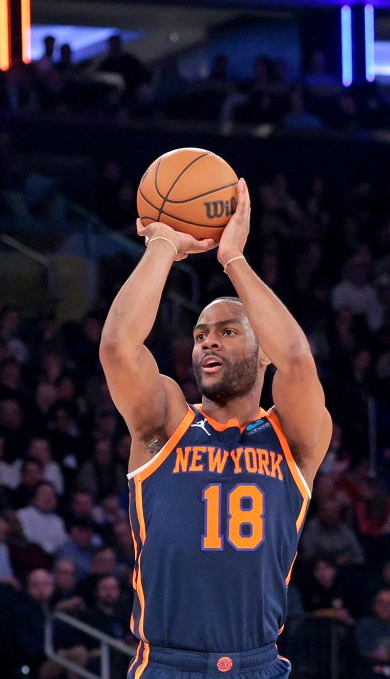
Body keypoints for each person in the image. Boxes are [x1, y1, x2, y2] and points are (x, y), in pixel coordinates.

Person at [100, 178, 331, 678]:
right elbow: (118, 346)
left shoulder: (292, 437)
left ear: (261, 349)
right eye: (201, 334)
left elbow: (295, 358)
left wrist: (235, 260)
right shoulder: (164, 423)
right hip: (166, 663)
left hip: (258, 664)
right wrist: (163, 243)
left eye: (228, 332)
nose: (209, 342)